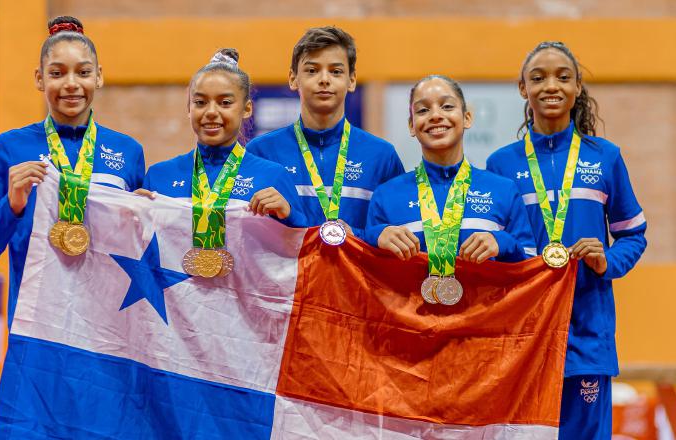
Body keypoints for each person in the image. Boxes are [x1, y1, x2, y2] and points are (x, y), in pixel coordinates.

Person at [486, 41, 647, 439]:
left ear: (577, 88)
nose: (550, 86)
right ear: (523, 88)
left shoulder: (605, 157)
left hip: (587, 333)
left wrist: (607, 259)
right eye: (537, 78)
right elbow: (496, 245)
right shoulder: (500, 164)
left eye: (563, 76)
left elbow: (634, 235)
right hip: (524, 332)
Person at [0, 16, 145, 325]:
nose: (71, 83)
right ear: (39, 79)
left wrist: (144, 220)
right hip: (37, 331)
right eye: (57, 73)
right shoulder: (10, 147)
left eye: (83, 72)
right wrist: (13, 206)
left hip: (107, 333)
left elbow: (143, 255)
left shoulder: (128, 152)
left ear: (99, 76)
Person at [365, 75, 535, 304]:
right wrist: (374, 237)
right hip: (412, 334)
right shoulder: (386, 195)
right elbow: (371, 279)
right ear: (411, 125)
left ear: (467, 117)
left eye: (447, 106)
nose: (436, 115)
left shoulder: (503, 190)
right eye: (423, 110)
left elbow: (533, 270)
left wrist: (503, 243)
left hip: (483, 332)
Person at [246, 26, 404, 240]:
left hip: (356, 274)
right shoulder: (260, 152)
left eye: (336, 71)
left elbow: (398, 235)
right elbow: (249, 234)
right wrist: (288, 218)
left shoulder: (382, 156)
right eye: (312, 70)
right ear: (293, 79)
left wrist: (354, 236)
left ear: (352, 80)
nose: (324, 79)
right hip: (290, 274)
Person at [138, 48, 305, 230]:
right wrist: (133, 218)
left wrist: (290, 216)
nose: (211, 112)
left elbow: (302, 250)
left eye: (225, 103)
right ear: (189, 108)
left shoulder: (273, 176)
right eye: (200, 102)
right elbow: (140, 252)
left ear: (247, 109)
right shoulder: (158, 176)